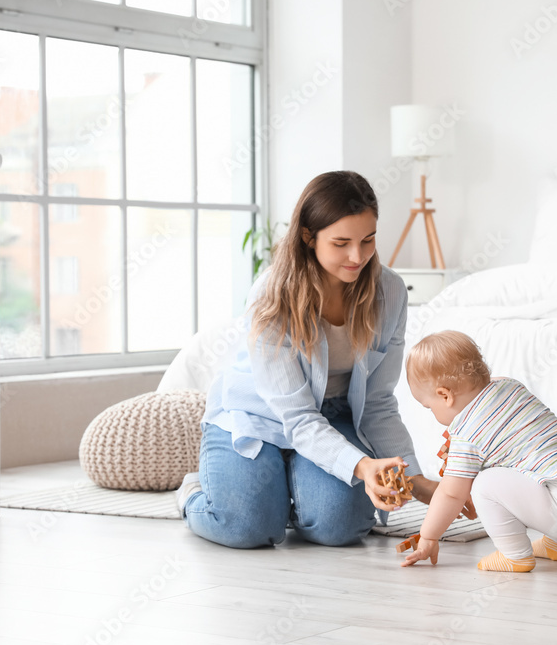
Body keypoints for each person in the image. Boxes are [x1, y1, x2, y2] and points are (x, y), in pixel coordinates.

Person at [176, 171, 474, 549]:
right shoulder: (272, 295)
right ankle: (195, 492)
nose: (358, 256)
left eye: (368, 240)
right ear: (308, 237)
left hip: (332, 415)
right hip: (258, 415)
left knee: (341, 527)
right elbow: (297, 417)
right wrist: (363, 467)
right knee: (246, 525)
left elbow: (379, 404)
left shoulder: (390, 292)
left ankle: (291, 493)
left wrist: (417, 482)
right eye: (341, 243)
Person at [401, 330, 557, 572]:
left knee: (483, 483)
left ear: (445, 395)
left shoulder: (466, 433)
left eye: (429, 407)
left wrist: (429, 537)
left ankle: (515, 555)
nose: (433, 413)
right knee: (543, 463)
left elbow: (451, 494)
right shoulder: (511, 386)